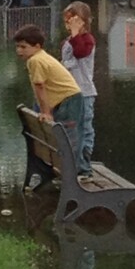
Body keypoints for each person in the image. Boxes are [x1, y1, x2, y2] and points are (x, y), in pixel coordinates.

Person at [13, 24, 86, 178]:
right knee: (68, 136)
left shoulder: (36, 60)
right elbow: (41, 88)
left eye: (23, 47)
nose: (19, 51)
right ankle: (73, 170)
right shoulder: (38, 58)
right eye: (18, 47)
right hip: (65, 100)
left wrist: (46, 112)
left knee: (71, 137)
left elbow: (40, 87)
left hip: (69, 100)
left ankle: (79, 171)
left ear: (37, 46)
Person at [61, 1, 96, 177]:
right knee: (72, 130)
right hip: (70, 94)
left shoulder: (87, 40)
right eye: (67, 21)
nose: (69, 25)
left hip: (83, 93)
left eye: (73, 21)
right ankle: (74, 163)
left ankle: (83, 166)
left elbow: (80, 52)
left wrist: (76, 34)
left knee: (84, 130)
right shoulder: (69, 41)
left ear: (83, 21)